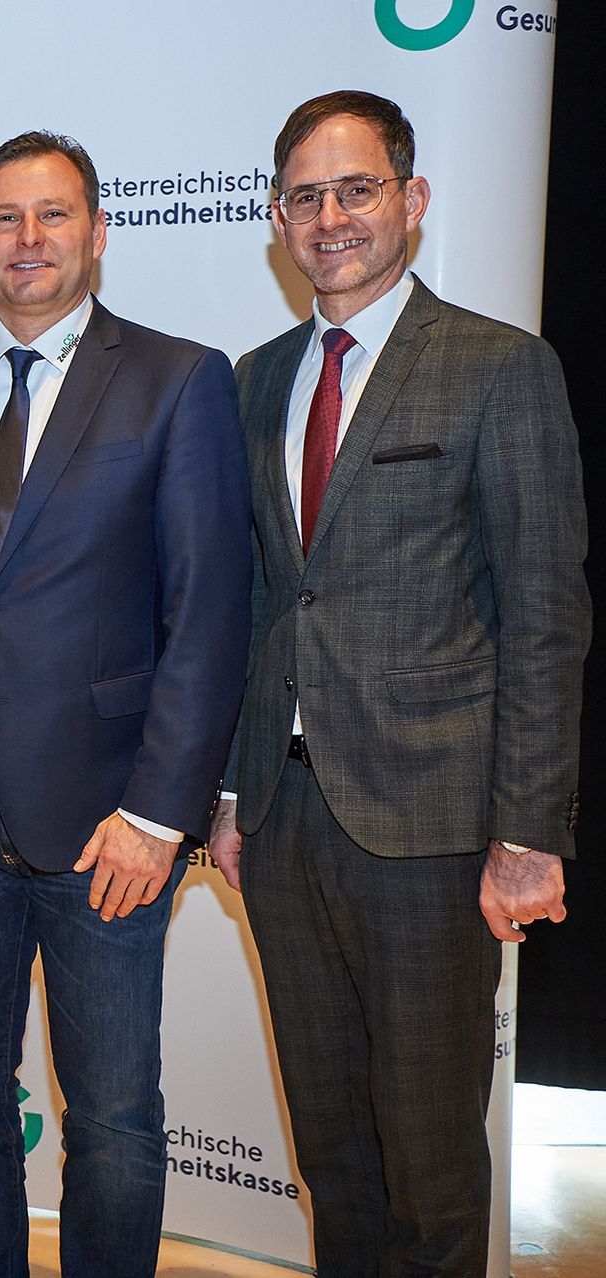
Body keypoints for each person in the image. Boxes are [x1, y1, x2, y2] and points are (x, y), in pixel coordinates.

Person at [0, 131, 252, 1278]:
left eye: (53, 216)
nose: (29, 240)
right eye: (5, 220)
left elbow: (208, 613)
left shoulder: (178, 379)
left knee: (114, 1110)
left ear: (97, 232)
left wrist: (162, 814)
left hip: (109, 813)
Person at [206, 90, 587, 1277]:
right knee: (331, 1144)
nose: (332, 218)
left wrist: (528, 830)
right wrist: (228, 793)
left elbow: (545, 614)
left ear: (410, 200)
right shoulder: (252, 379)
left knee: (429, 1159)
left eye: (356, 189)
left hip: (431, 828)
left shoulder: (499, 368)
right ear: (277, 219)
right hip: (283, 816)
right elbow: (258, 605)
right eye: (306, 197)